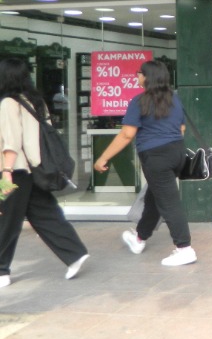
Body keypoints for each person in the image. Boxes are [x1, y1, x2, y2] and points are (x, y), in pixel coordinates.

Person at [94, 60, 197, 267]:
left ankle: (185, 249)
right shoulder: (174, 99)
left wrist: (104, 157)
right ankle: (139, 237)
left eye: (139, 73)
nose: (137, 76)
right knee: (154, 197)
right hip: (176, 152)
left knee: (169, 203)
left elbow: (127, 134)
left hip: (156, 156)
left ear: (148, 77)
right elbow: (182, 129)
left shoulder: (139, 101)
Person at [0, 57, 89, 287]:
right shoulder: (35, 100)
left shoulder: (8, 103)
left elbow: (11, 141)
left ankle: (1, 270)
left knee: (6, 218)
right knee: (45, 213)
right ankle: (75, 253)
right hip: (35, 169)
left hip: (14, 170)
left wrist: (6, 171)